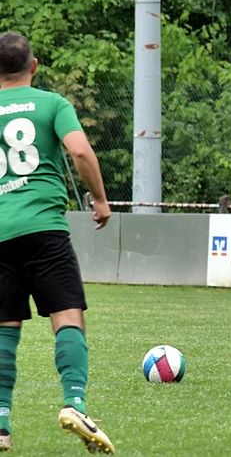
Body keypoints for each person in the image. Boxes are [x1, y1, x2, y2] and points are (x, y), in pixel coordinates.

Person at [0, 31, 114, 453]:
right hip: (44, 229)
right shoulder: (52, 104)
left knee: (4, 329)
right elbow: (80, 152)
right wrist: (99, 200)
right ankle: (75, 403)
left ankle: (1, 425)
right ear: (33, 66)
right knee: (68, 318)